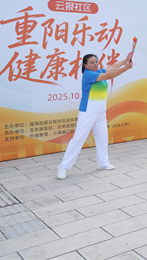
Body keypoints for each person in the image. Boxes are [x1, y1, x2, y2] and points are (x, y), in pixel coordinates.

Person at [57, 52, 134, 180]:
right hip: (88, 111)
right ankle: (63, 166)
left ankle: (103, 163)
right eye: (91, 63)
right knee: (78, 138)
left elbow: (112, 68)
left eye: (96, 62)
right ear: (85, 65)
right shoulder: (88, 75)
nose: (95, 64)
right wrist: (126, 68)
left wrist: (125, 61)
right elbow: (109, 75)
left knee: (102, 137)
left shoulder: (98, 71)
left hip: (100, 111)